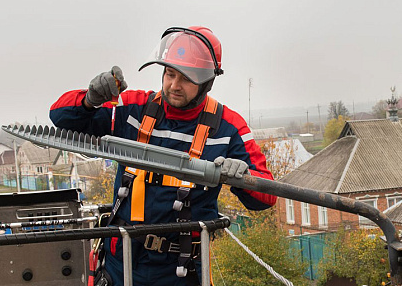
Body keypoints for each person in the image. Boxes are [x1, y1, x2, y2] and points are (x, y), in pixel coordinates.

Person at [50, 26, 277, 286]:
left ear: (207, 81)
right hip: (120, 264)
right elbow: (60, 118)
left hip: (182, 271)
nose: (174, 85)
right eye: (169, 74)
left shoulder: (228, 128)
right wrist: (89, 100)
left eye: (186, 79)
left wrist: (242, 178)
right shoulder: (133, 109)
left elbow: (266, 197)